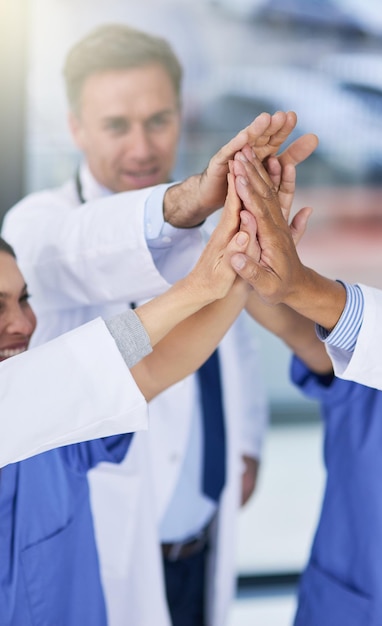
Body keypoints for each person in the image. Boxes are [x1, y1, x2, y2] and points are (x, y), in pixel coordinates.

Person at [2, 24, 318, 625]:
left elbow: (203, 356)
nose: (142, 146)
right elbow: (113, 339)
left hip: (200, 527)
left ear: (182, 114)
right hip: (106, 545)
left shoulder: (210, 221)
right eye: (117, 125)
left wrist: (245, 443)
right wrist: (191, 215)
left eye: (158, 120)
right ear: (75, 128)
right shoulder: (38, 230)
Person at [0, 168, 263, 625]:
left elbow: (154, 366)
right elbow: (89, 363)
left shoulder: (56, 421)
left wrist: (245, 260)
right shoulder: (35, 400)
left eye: (25, 299)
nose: (23, 323)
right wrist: (196, 287)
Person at [228, 145, 382, 625]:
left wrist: (296, 281)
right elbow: (292, 322)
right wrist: (248, 244)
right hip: (353, 606)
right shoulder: (363, 329)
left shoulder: (370, 326)